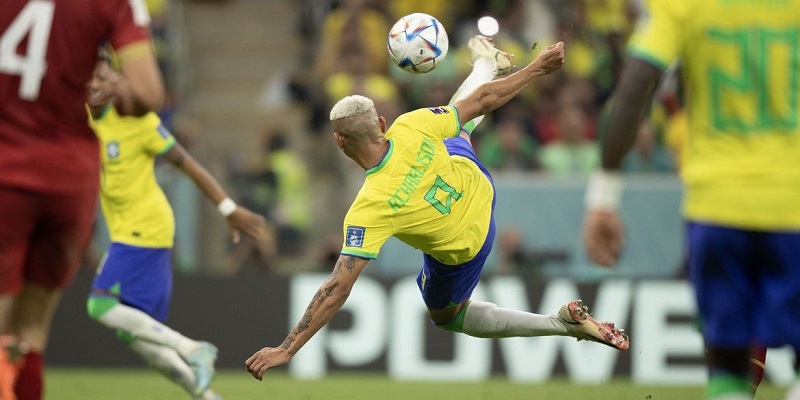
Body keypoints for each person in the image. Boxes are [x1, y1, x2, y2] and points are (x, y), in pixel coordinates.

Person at [246, 36, 629, 380]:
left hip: (467, 244)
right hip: (476, 183)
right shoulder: (411, 125)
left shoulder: (368, 208)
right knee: (458, 124)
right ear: (381, 122)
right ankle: (485, 64)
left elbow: (337, 288)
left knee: (449, 316)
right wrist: (537, 68)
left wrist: (287, 347)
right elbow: (482, 100)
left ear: (340, 143)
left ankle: (559, 324)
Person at [581, 1, 800, 399]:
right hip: (793, 205)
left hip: (716, 207)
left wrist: (604, 195)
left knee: (728, 368)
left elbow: (633, 90)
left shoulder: (683, 5)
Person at [0, 1, 165, 399]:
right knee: (32, 327)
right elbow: (148, 93)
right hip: (68, 179)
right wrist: (116, 88)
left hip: (4, 171)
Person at [85, 55, 269, 400]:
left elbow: (189, 165)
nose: (95, 84)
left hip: (146, 228)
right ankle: (207, 396)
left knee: (100, 306)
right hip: (125, 231)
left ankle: (193, 347)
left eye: (104, 77)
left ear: (117, 83)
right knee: (134, 333)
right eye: (89, 77)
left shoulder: (140, 124)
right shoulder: (81, 122)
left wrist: (227, 208)